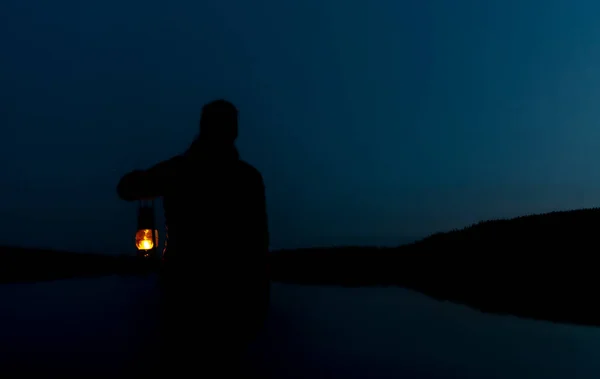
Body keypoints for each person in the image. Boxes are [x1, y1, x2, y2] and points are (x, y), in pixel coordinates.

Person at [117, 99, 270, 374]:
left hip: (187, 296)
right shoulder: (248, 178)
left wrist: (146, 181)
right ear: (233, 132)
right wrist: (258, 301)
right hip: (229, 299)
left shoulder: (180, 170)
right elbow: (259, 245)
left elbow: (126, 188)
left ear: (202, 129)